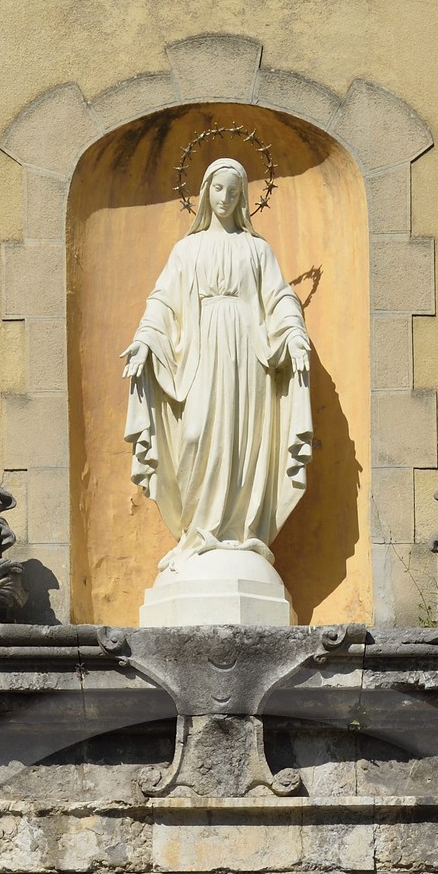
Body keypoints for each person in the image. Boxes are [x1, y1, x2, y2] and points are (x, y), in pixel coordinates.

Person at [122, 157, 313, 577]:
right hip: (201, 353)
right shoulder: (186, 249)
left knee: (244, 440)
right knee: (197, 433)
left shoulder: (257, 249)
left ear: (244, 197)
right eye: (217, 189)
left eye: (233, 190)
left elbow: (279, 299)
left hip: (249, 356)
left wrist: (295, 334)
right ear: (206, 191)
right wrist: (144, 341)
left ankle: (239, 535)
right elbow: (163, 302)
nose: (225, 198)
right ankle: (198, 532)